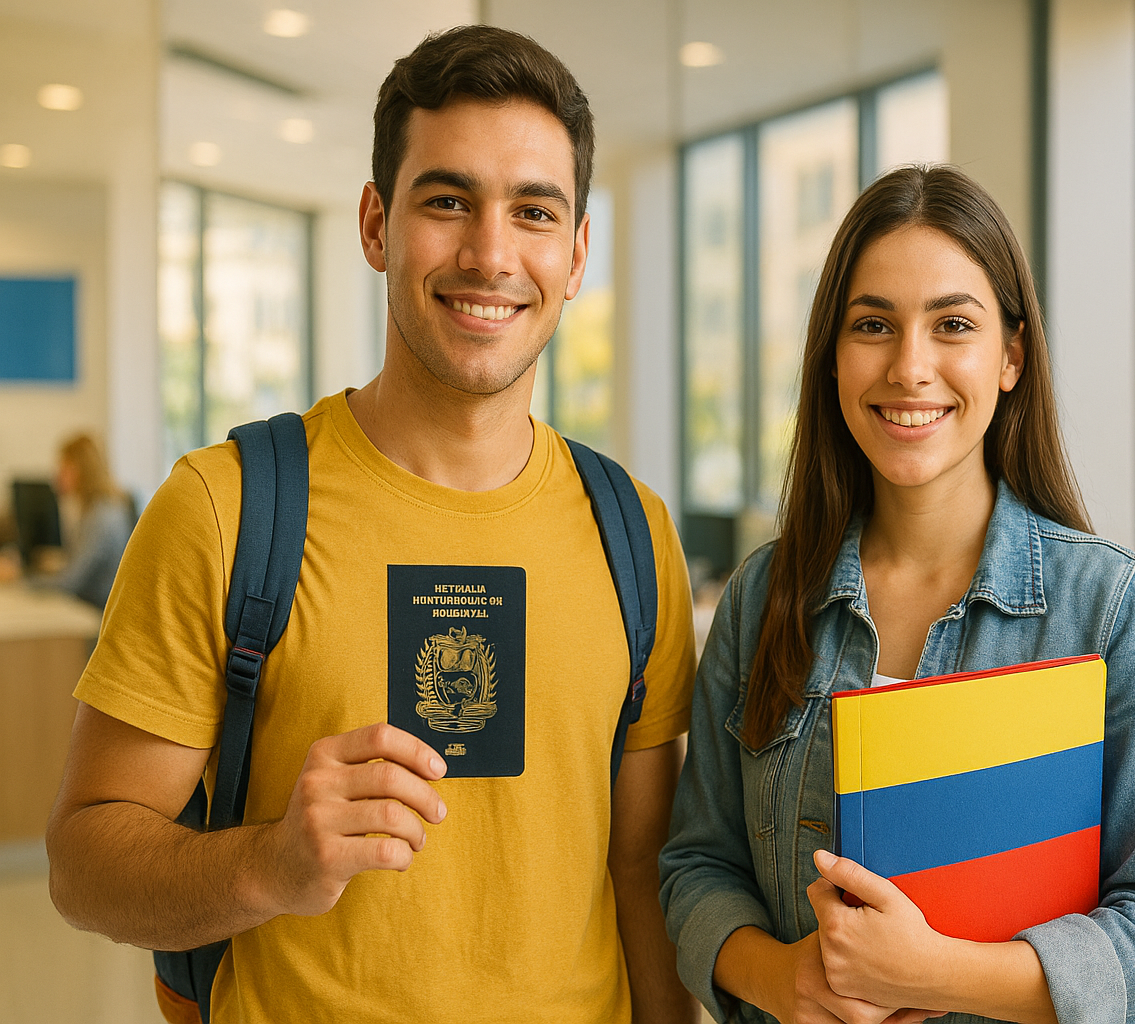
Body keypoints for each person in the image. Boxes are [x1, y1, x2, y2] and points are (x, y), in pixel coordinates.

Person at [47, 25, 696, 1024]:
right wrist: (269, 860)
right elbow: (84, 864)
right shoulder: (225, 508)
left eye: (532, 212)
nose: (490, 253)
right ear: (375, 224)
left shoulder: (634, 533)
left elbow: (638, 870)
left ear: (574, 257)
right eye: (448, 201)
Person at [659, 166, 1135, 1024]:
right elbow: (697, 867)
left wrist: (936, 975)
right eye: (873, 325)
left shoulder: (1112, 612)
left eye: (952, 324)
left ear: (1011, 356)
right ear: (833, 355)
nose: (909, 367)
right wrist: (782, 980)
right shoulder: (762, 597)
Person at [33, 433, 134, 609]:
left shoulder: (102, 516)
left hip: (98, 615)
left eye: (64, 468)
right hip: (93, 608)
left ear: (82, 470)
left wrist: (26, 583)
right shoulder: (96, 509)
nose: (56, 476)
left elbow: (70, 584)